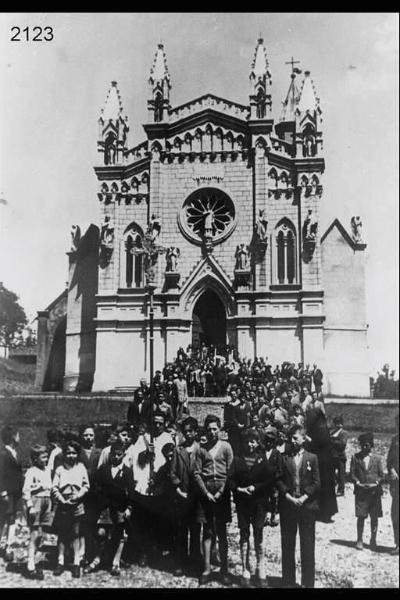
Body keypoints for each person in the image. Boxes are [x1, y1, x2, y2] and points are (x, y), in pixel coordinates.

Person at [228, 429, 276, 587]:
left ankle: (260, 567)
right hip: (242, 504)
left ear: (258, 443)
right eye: (248, 441)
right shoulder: (237, 459)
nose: (250, 444)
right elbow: (230, 480)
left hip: (259, 503)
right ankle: (245, 568)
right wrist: (239, 490)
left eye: (254, 441)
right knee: (244, 533)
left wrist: (255, 487)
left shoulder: (262, 459)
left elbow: (269, 480)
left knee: (258, 532)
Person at [276, 424, 320, 588]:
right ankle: (288, 582)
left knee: (307, 546)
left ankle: (307, 583)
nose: (293, 441)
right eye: (291, 438)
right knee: (287, 544)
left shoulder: (312, 458)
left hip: (307, 507)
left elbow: (317, 482)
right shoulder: (284, 457)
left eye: (296, 438)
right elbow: (278, 479)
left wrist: (304, 497)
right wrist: (288, 496)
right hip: (288, 506)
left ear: (303, 438)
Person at [194, 415, 233, 586]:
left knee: (222, 531)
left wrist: (221, 491)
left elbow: (230, 471)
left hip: (222, 493)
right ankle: (207, 568)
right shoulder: (201, 449)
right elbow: (196, 473)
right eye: (209, 429)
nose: (211, 432)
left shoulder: (226, 447)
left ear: (220, 429)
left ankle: (224, 569)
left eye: (215, 429)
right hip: (206, 493)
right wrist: (206, 493)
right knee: (207, 530)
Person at [170, 417, 207, 575]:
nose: (187, 434)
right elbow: (172, 473)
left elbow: (206, 472)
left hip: (197, 497)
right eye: (184, 432)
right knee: (182, 530)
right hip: (183, 495)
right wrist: (179, 489)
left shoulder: (201, 449)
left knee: (196, 529)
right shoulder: (179, 450)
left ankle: (195, 561)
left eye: (190, 431)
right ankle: (181, 562)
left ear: (195, 432)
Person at [95, 440, 135, 576]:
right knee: (101, 533)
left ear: (123, 455)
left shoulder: (127, 471)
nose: (116, 457)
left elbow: (131, 491)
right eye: (114, 454)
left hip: (120, 506)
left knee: (120, 534)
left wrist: (129, 507)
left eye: (119, 454)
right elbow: (97, 487)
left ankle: (116, 562)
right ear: (110, 454)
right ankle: (99, 558)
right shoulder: (104, 469)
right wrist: (101, 502)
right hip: (105, 506)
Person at [52, 439, 90, 578]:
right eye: (68, 453)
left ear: (77, 454)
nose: (71, 456)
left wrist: (77, 496)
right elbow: (54, 487)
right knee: (62, 533)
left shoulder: (81, 468)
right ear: (64, 454)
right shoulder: (60, 469)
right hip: (63, 504)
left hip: (77, 503)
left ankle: (76, 563)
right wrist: (62, 499)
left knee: (76, 533)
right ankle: (60, 562)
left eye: (74, 453)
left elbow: (86, 486)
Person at [22, 444, 53, 580]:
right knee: (34, 532)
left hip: (47, 501)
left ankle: (35, 559)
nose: (45, 458)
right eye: (42, 456)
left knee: (42, 533)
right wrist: (30, 506)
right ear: (35, 458)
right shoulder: (31, 471)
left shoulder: (47, 470)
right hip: (36, 501)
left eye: (46, 455)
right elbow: (26, 491)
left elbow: (50, 486)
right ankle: (30, 564)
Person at [350, 432, 384, 551]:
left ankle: (373, 539)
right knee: (361, 516)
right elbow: (352, 473)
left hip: (374, 492)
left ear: (371, 445)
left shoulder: (377, 459)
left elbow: (381, 475)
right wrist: (357, 482)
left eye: (367, 445)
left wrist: (376, 483)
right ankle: (359, 539)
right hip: (361, 492)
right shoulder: (355, 457)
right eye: (363, 445)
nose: (365, 447)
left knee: (374, 517)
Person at [305, 401, 338, 522]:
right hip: (324, 461)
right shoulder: (321, 426)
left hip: (322, 462)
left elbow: (317, 444)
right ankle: (324, 512)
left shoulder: (320, 428)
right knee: (324, 486)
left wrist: (308, 441)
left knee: (323, 485)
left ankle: (325, 512)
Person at [78, 425, 102, 567]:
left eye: (91, 435)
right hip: (81, 493)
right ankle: (81, 554)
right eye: (86, 435)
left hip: (95, 494)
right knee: (82, 524)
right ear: (81, 436)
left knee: (93, 524)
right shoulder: (77, 452)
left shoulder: (99, 452)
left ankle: (94, 554)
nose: (88, 438)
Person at [0, 425, 23, 563]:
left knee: (12, 519)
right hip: (7, 493)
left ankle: (9, 546)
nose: (19, 438)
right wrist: (3, 492)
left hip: (15, 493)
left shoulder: (14, 453)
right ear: (13, 438)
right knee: (3, 519)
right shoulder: (3, 454)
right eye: (18, 435)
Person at [387, 415, 399, 555]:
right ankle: (398, 544)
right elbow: (389, 460)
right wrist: (391, 469)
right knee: (396, 513)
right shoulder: (395, 440)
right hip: (397, 483)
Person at [330, 416, 348, 497]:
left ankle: (341, 490)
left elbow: (342, 444)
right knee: (331, 474)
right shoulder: (332, 432)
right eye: (337, 424)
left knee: (341, 474)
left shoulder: (343, 433)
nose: (338, 425)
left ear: (342, 424)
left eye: (340, 424)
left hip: (340, 457)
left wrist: (332, 440)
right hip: (332, 456)